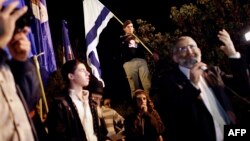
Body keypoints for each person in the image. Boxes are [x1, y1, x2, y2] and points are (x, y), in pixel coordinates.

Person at [157, 29, 250, 141]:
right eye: (182, 49)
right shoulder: (167, 81)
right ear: (175, 58)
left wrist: (233, 54)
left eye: (192, 46)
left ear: (199, 51)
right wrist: (192, 85)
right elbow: (172, 116)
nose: (190, 51)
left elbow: (244, 87)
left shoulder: (213, 71)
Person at [46, 59, 107, 141]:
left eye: (86, 70)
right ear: (71, 76)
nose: (88, 73)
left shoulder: (91, 103)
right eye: (82, 70)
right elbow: (57, 136)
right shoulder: (60, 105)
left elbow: (97, 132)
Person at [120, 20, 158, 98]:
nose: (130, 28)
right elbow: (118, 50)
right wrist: (126, 41)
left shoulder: (137, 38)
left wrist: (153, 53)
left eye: (132, 26)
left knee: (147, 83)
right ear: (124, 29)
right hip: (129, 63)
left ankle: (150, 104)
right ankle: (138, 106)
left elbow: (146, 46)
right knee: (134, 86)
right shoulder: (121, 39)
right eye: (128, 27)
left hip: (141, 61)